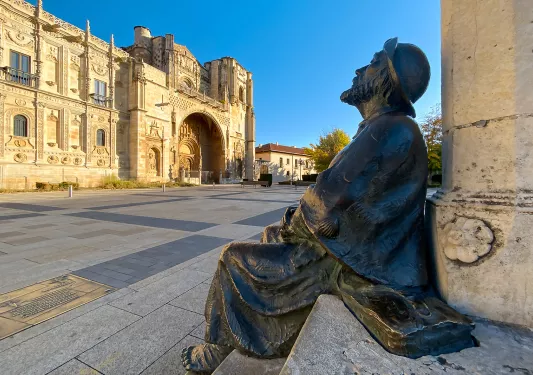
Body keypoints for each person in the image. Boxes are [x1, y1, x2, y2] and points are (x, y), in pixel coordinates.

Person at [181, 38, 473, 374]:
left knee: (233, 258)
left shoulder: (389, 128)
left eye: (374, 63)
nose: (360, 69)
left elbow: (328, 198)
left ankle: (215, 349)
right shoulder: (386, 127)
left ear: (385, 81)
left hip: (361, 262)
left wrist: (296, 220)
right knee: (270, 236)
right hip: (361, 250)